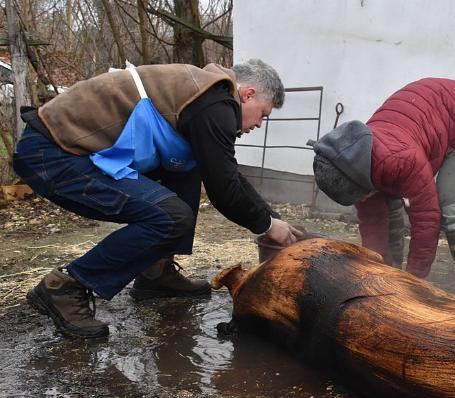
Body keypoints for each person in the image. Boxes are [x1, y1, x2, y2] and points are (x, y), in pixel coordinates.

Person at [13, 59, 303, 339]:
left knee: (188, 165)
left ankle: (156, 272)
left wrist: (272, 218)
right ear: (248, 94)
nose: (259, 124)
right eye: (263, 114)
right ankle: (65, 285)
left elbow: (224, 172)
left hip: (64, 150)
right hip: (52, 154)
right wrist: (265, 225)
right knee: (171, 216)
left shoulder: (207, 94)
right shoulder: (217, 102)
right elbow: (224, 189)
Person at [311, 78, 455, 299]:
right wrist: (378, 276)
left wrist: (413, 282)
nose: (366, 197)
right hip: (426, 117)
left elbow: (426, 220)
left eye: (364, 194)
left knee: (451, 204)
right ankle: (392, 277)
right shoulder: (352, 160)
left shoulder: (400, 160)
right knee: (385, 201)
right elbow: (373, 223)